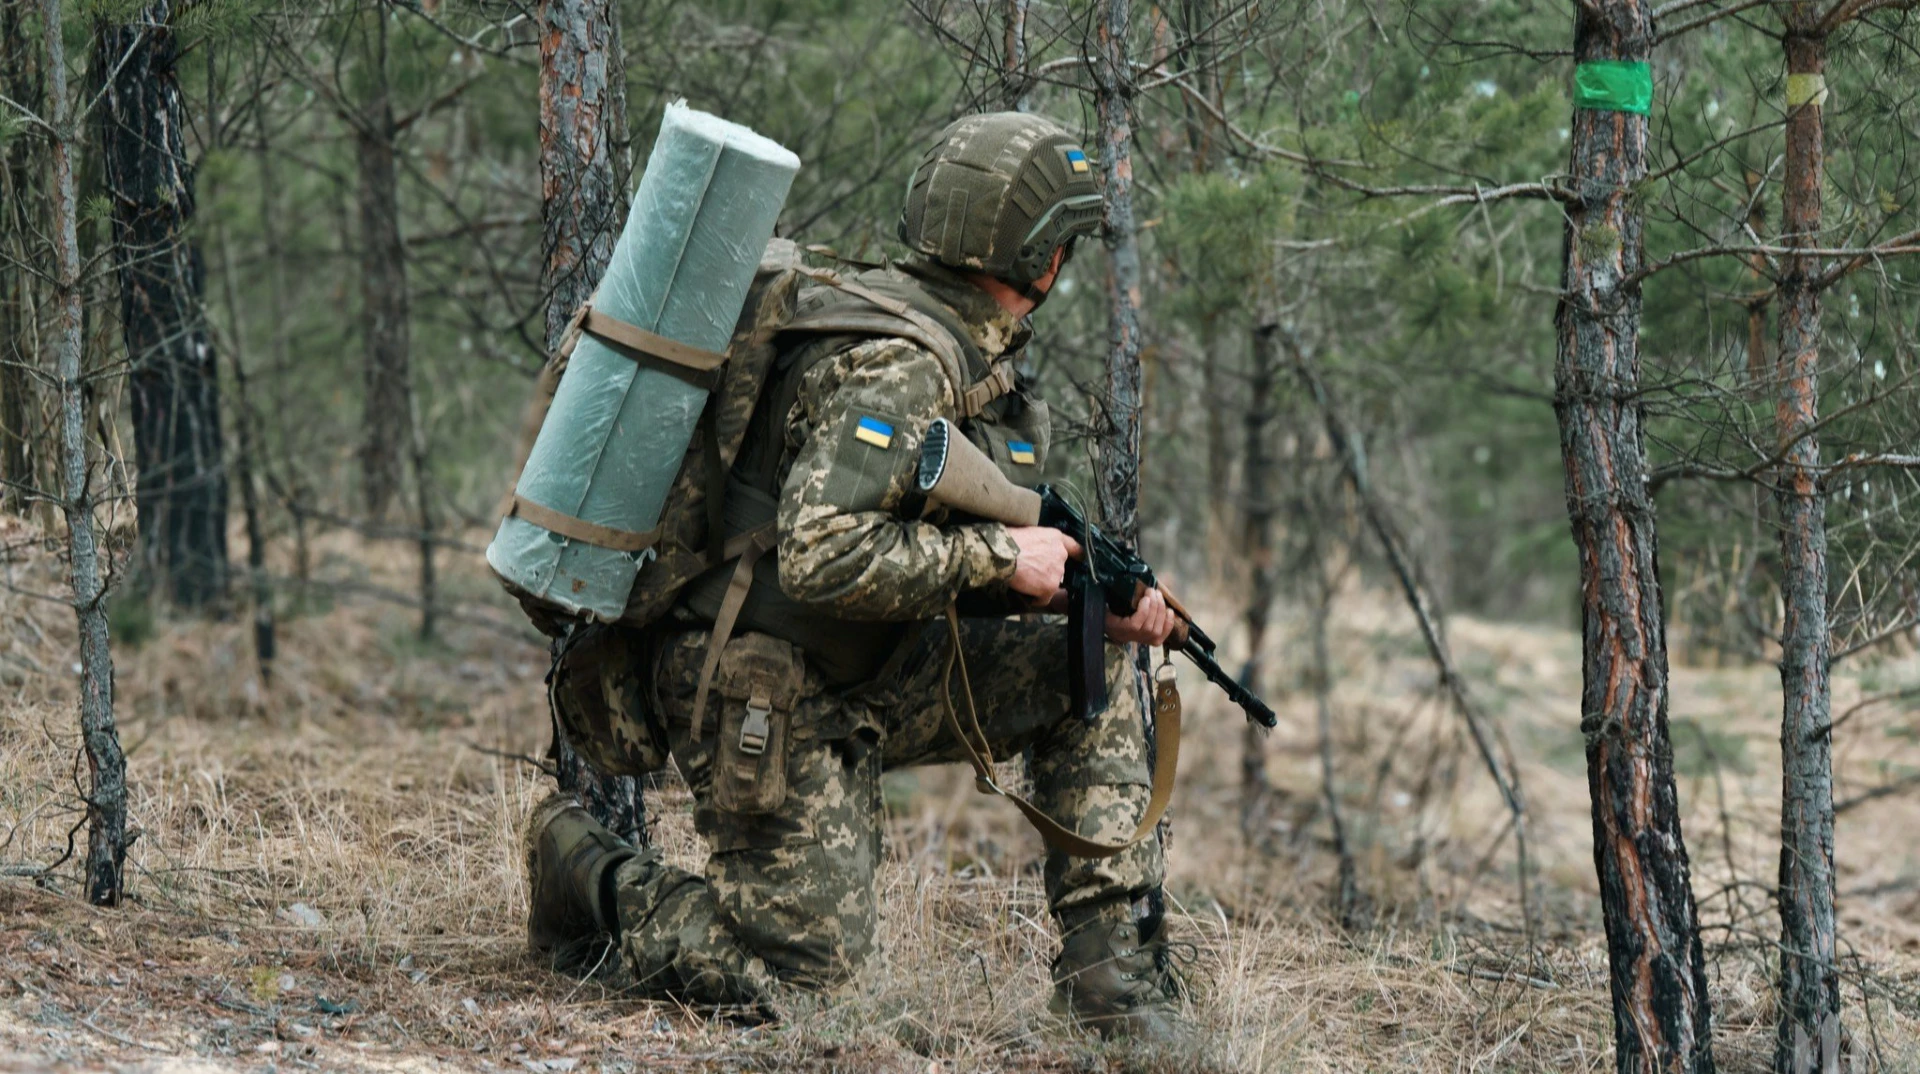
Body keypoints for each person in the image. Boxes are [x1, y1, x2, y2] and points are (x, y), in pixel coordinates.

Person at [522, 111, 1188, 1041]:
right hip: (758, 684)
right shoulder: (900, 364)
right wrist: (1002, 556)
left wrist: (1074, 604)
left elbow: (902, 541)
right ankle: (584, 874)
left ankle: (1115, 988)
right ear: (1043, 258)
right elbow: (822, 555)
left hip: (867, 664)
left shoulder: (937, 337)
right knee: (813, 998)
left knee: (1092, 674)